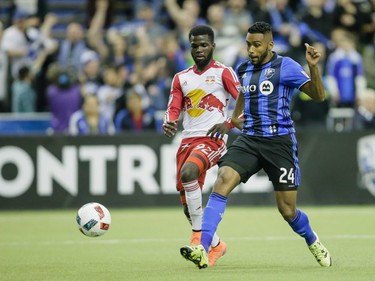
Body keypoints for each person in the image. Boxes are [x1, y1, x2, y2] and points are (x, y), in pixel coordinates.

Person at [179, 22, 332, 269]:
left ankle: (312, 239)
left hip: (279, 143)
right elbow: (242, 96)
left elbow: (318, 95)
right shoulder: (243, 69)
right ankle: (202, 247)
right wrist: (232, 121)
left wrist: (313, 68)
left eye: (256, 45)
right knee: (223, 180)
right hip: (250, 140)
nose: (251, 50)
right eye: (248, 44)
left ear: (270, 45)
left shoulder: (287, 66)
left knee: (287, 211)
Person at [163, 25, 240, 267]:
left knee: (189, 172)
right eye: (195, 45)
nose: (199, 49)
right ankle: (217, 245)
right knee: (188, 207)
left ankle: (198, 240)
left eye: (204, 45)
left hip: (213, 139)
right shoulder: (181, 77)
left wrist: (229, 123)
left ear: (213, 46)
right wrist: (170, 121)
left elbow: (245, 103)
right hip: (188, 140)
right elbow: (174, 106)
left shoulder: (223, 72)